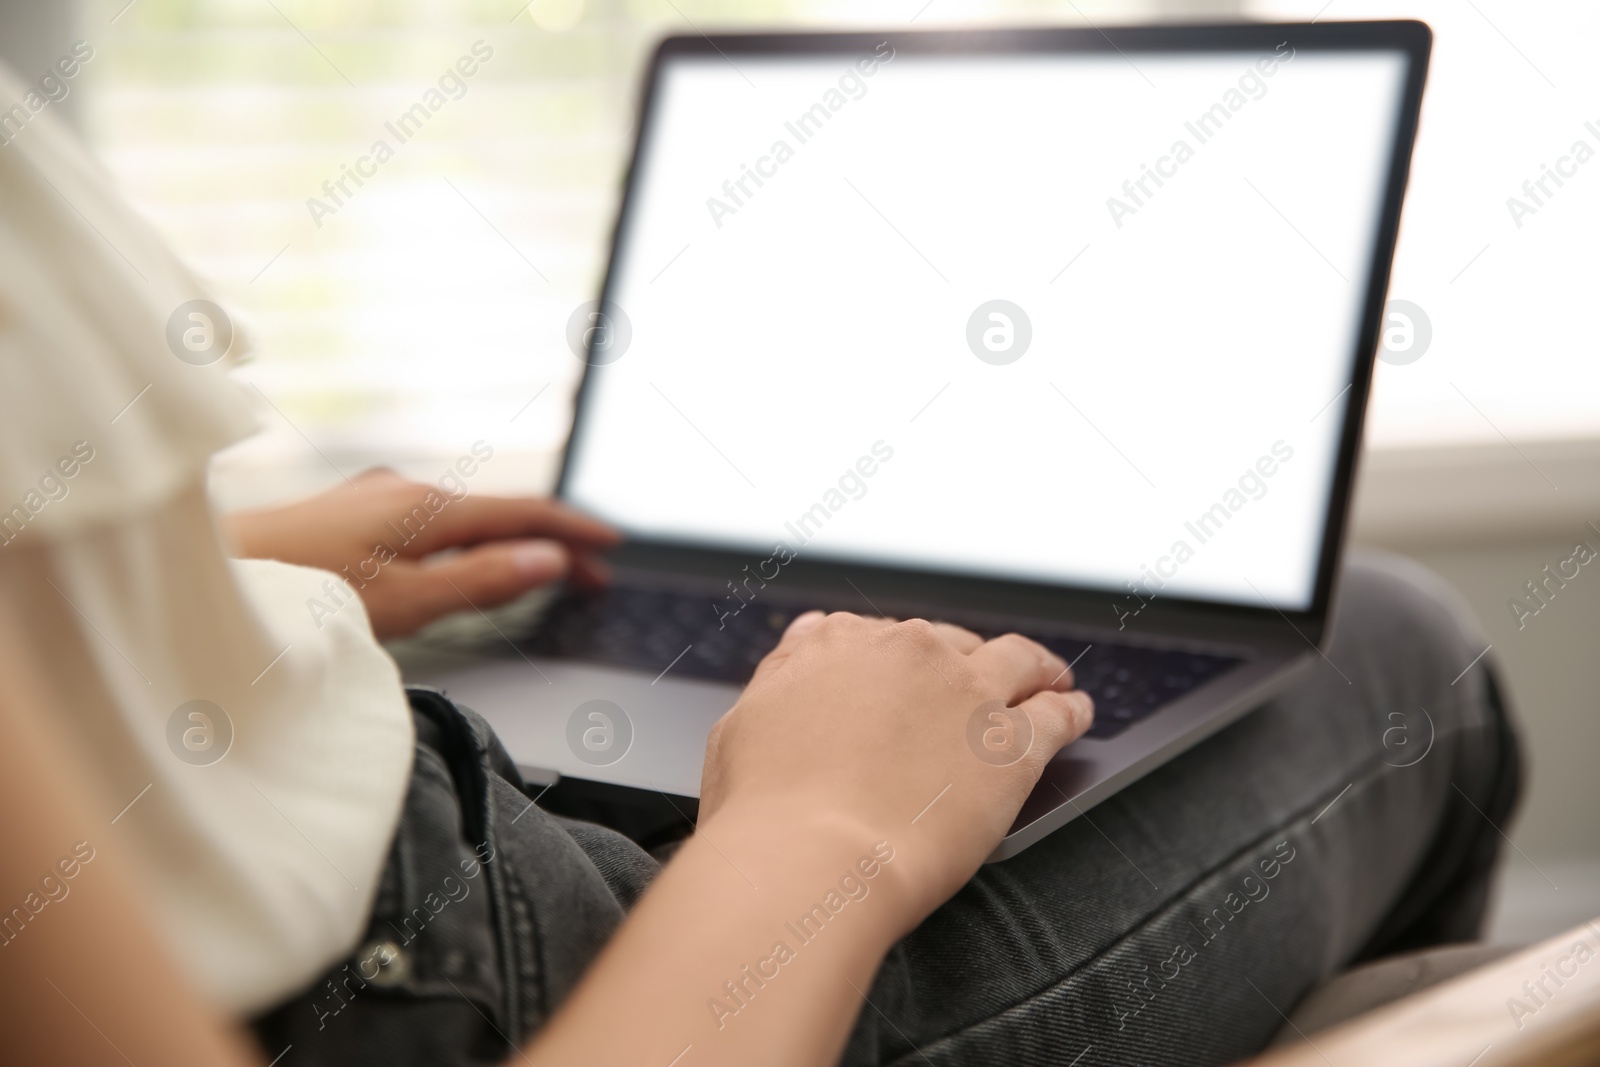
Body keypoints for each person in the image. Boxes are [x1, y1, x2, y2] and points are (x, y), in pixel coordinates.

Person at [0, 60, 1519, 1067]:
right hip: (560, 975)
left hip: (412, 814)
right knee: (1400, 638)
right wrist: (817, 839)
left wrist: (201, 587)